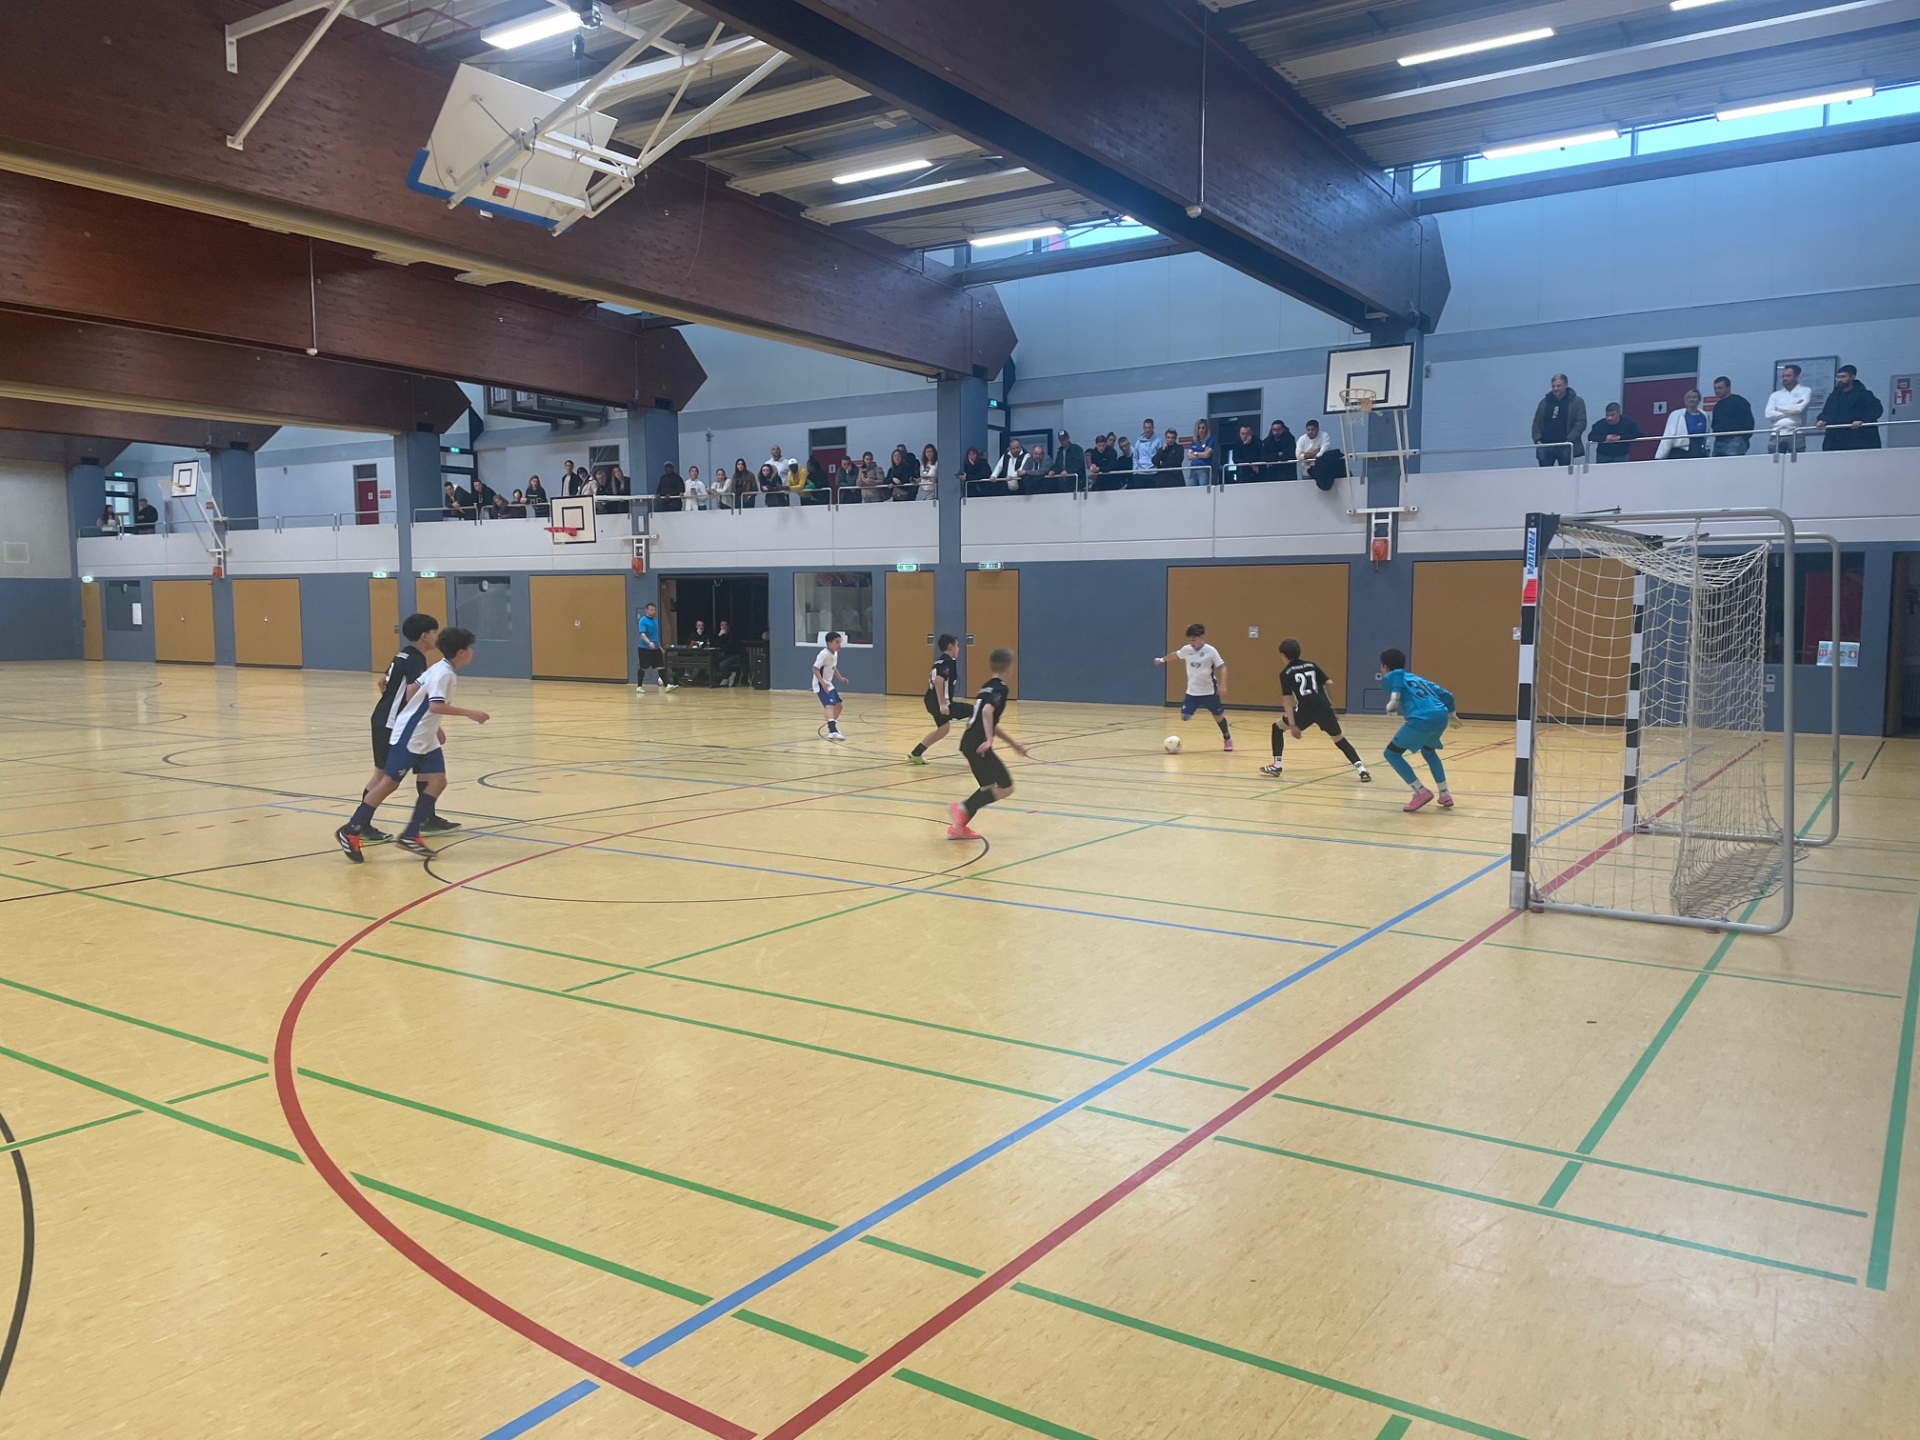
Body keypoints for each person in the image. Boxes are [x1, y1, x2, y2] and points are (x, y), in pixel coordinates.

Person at [335, 626, 489, 860]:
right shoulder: (444, 674)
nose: (472, 652)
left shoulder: (438, 668)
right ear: (461, 652)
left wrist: (432, 725)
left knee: (437, 781)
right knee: (388, 783)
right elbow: (435, 705)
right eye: (470, 648)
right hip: (411, 735)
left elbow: (410, 692)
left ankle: (411, 834)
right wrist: (470, 713)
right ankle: (351, 829)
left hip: (425, 736)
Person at [357, 611, 450, 845]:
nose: (437, 636)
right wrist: (431, 723)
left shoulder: (404, 655)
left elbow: (382, 682)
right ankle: (361, 825)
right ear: (424, 636)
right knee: (382, 776)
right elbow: (412, 694)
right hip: (391, 724)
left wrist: (391, 703)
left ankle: (427, 818)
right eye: (434, 632)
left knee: (426, 769)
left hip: (392, 719)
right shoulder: (415, 660)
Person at [945, 647, 1028, 839]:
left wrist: (1012, 743)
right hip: (978, 744)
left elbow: (989, 721)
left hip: (969, 742)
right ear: (1010, 667)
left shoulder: (986, 687)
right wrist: (989, 739)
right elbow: (986, 712)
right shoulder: (1001, 688)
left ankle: (957, 828)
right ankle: (962, 808)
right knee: (1006, 787)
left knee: (987, 788)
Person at [1261, 638, 1369, 781]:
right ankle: (1361, 770)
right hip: (1324, 707)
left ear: (1283, 655)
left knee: (1277, 727)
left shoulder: (1285, 673)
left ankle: (1276, 765)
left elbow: (1287, 700)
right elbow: (1329, 683)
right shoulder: (1311, 665)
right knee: (1339, 739)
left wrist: (1293, 725)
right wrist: (1331, 707)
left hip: (1305, 710)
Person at [1377, 647, 1456, 812]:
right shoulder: (1418, 679)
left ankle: (1420, 792)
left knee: (1391, 754)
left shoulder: (1393, 676)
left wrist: (1394, 699)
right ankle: (1444, 793)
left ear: (1384, 666)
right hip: (1440, 716)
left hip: (1421, 719)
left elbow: (1397, 674)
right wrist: (1453, 714)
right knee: (1429, 752)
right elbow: (1447, 695)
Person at [1154, 622, 1233, 751]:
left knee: (1218, 717)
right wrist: (1161, 660)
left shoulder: (1210, 651)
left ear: (1202, 637)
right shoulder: (1187, 650)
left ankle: (1227, 738)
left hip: (1209, 692)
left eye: (1194, 639)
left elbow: (1222, 667)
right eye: (1189, 640)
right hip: (1192, 692)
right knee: (1184, 717)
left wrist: (1223, 685)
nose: (1191, 642)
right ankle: (1194, 706)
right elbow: (1175, 655)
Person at [908, 634, 970, 764]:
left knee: (943, 729)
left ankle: (915, 754)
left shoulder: (939, 662)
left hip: (930, 701)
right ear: (950, 647)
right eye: (957, 646)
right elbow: (938, 680)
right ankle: (972, 749)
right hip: (940, 703)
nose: (958, 649)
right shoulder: (949, 662)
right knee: (977, 711)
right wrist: (943, 704)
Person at [1817, 364, 1883, 450]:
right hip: (1836, 440)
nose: (1840, 380)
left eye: (1843, 377)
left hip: (1859, 438)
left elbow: (1876, 410)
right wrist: (1822, 420)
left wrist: (1863, 420)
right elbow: (1827, 412)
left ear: (1852, 377)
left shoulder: (1864, 394)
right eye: (1838, 377)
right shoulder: (1834, 396)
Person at [1531, 374, 1587, 466]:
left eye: (1559, 386)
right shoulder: (1544, 402)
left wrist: (1570, 440)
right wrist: (1537, 440)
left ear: (1566, 385)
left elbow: (1581, 422)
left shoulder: (1576, 401)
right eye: (1553, 386)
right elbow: (1536, 422)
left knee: (1566, 473)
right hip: (1545, 445)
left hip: (1565, 445)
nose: (1555, 388)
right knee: (1545, 473)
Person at [1765, 363, 1811, 455]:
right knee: (1774, 461)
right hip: (1776, 433)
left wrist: (1778, 408)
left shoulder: (1805, 391)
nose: (1785, 378)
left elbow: (1798, 409)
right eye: (1783, 376)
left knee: (1797, 461)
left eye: (1788, 376)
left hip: (1796, 433)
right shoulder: (1775, 395)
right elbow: (1768, 414)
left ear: (1796, 377)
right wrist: (1791, 411)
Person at [812, 630, 849, 741]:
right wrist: (823, 683)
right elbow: (815, 669)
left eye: (840, 642)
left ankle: (832, 726)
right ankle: (833, 731)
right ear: (829, 643)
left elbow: (833, 667)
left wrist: (840, 678)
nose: (839, 645)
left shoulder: (834, 654)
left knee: (839, 705)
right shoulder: (824, 654)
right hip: (821, 684)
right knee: (830, 706)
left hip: (829, 684)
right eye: (837, 642)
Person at [1655, 389, 1710, 460]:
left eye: (1694, 397)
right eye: (1689, 397)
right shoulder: (1676, 414)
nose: (1691, 399)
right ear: (1685, 400)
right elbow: (1669, 434)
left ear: (1699, 400)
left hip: (1698, 450)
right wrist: (1660, 456)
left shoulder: (1704, 415)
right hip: (1680, 451)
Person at [1709, 377, 1755, 457]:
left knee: (1731, 463)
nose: (1717, 391)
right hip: (1719, 441)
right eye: (1715, 388)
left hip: (1735, 439)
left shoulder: (1739, 401)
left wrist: (1743, 438)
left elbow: (1749, 421)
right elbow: (1714, 423)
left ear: (1728, 388)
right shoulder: (1717, 406)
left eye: (1720, 388)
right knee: (1716, 464)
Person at [636, 600, 674, 693]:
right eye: (651, 610)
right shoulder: (643, 620)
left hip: (656, 649)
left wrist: (659, 647)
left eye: (654, 610)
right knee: (643, 667)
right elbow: (642, 634)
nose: (653, 611)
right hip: (645, 648)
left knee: (661, 666)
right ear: (646, 610)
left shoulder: (655, 622)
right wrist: (649, 642)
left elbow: (655, 636)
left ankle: (667, 685)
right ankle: (639, 686)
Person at [714, 619, 747, 687]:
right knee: (713, 662)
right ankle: (727, 676)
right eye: (722, 625)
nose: (724, 627)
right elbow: (715, 644)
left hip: (736, 656)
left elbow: (728, 646)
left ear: (728, 626)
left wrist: (721, 645)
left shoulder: (733, 635)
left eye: (725, 625)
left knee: (722, 664)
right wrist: (719, 636)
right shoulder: (722, 635)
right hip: (727, 655)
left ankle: (726, 677)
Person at [1183, 419, 1215, 487]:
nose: (1201, 430)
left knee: (1203, 489)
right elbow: (1189, 457)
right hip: (1193, 468)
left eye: (1203, 428)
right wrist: (1201, 453)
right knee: (1192, 489)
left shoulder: (1210, 440)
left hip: (1204, 468)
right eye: (1199, 428)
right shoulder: (1194, 441)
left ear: (1206, 429)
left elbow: (1206, 455)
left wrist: (1195, 453)